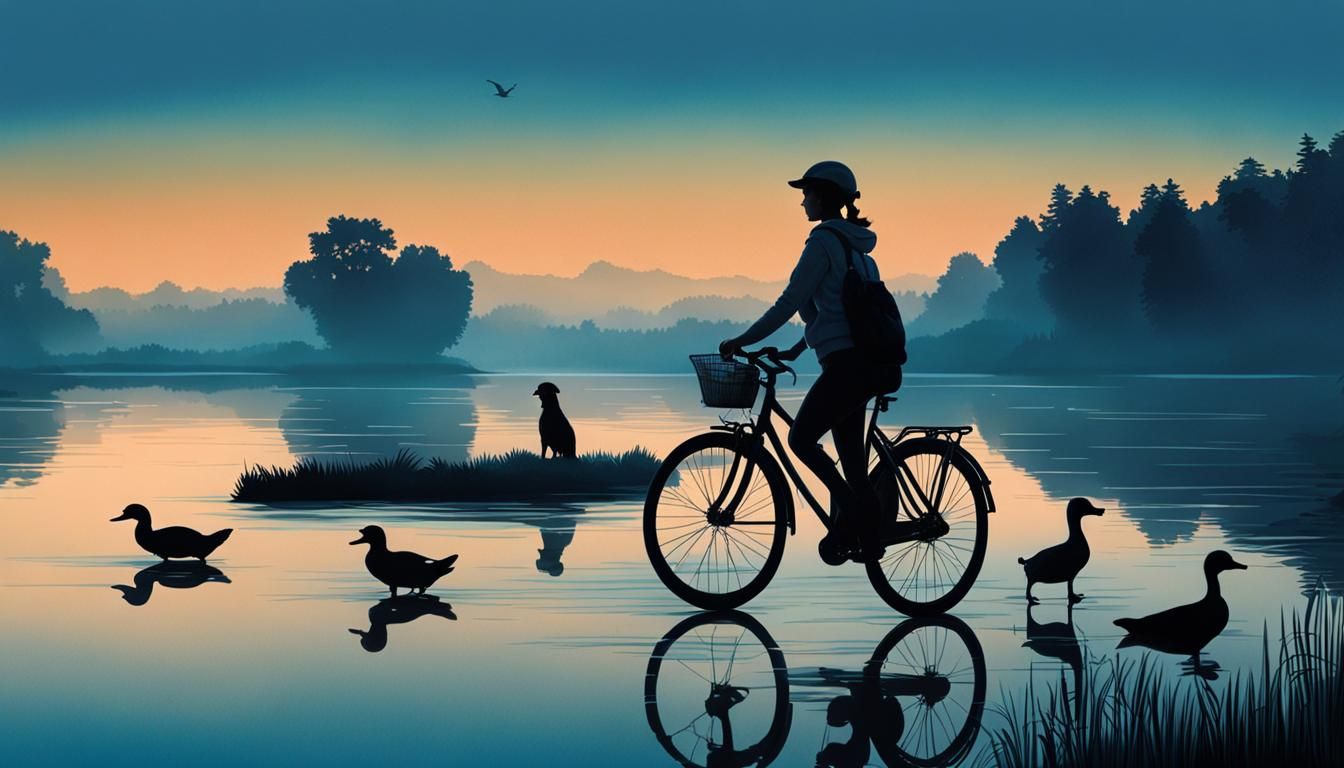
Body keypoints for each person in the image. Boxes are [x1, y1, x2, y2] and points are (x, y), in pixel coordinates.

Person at [719, 160, 901, 563]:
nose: (802, 201)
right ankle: (863, 532)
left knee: (800, 439)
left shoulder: (822, 243)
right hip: (863, 365)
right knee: (852, 461)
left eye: (807, 193)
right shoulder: (857, 249)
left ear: (824, 196)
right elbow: (842, 314)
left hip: (848, 368)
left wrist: (741, 340)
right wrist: (799, 349)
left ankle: (854, 512)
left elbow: (790, 302)